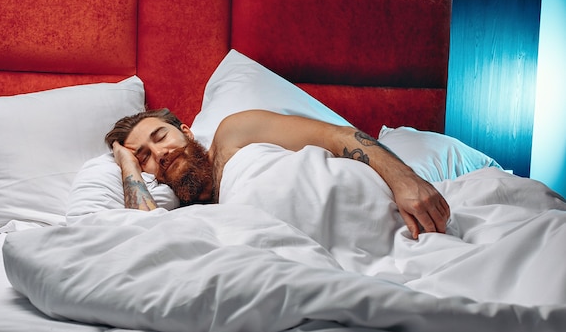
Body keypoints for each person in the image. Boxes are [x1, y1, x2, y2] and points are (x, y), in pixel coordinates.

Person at [104, 108, 450, 239]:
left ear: (187, 131)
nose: (160, 154)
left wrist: (407, 180)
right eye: (145, 157)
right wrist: (127, 164)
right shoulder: (187, 217)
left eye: (161, 137)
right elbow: (144, 236)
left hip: (396, 219)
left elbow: (337, 136)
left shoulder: (233, 132)